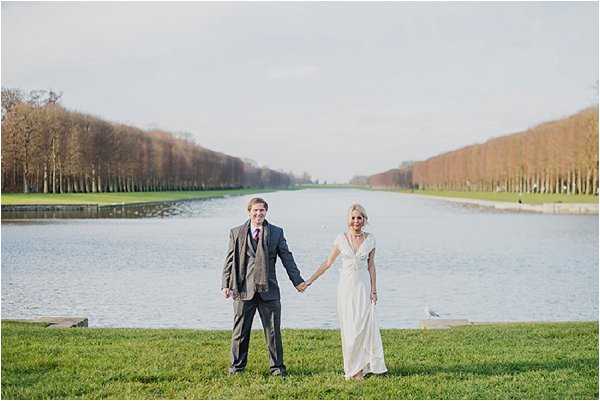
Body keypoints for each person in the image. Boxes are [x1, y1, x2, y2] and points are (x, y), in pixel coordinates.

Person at [221, 197, 307, 377]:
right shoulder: (236, 232)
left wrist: (297, 281)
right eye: (255, 210)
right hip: (243, 289)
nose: (259, 213)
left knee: (273, 332)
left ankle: (277, 368)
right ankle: (237, 368)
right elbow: (229, 260)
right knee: (240, 332)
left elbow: (287, 258)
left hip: (269, 290)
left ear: (266, 212)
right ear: (249, 212)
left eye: (262, 210)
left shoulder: (276, 232)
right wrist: (225, 285)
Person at [306, 203, 387, 380]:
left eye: (359, 218)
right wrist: (309, 281)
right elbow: (327, 263)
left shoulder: (371, 239)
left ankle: (365, 365)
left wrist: (374, 290)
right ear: (348, 220)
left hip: (364, 287)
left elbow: (371, 266)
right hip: (347, 289)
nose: (356, 221)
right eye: (353, 218)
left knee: (364, 327)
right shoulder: (341, 239)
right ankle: (353, 369)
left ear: (364, 220)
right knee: (350, 329)